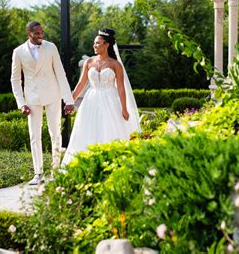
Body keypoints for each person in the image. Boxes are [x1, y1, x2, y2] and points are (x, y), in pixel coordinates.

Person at [61, 28, 141, 166]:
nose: (95, 46)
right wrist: (70, 100)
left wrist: (124, 108)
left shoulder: (115, 64)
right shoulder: (89, 62)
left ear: (106, 45)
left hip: (111, 99)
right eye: (94, 43)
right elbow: (81, 83)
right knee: (87, 129)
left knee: (109, 128)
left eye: (98, 43)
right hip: (91, 99)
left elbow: (121, 87)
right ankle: (86, 162)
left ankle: (113, 162)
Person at [11, 21, 75, 185]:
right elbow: (15, 80)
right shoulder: (18, 52)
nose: (40, 36)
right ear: (29, 33)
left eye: (42, 33)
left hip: (52, 95)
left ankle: (55, 171)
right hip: (32, 99)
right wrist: (21, 103)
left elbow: (60, 73)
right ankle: (38, 173)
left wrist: (68, 100)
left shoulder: (50, 47)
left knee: (55, 133)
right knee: (34, 135)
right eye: (37, 34)